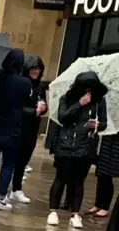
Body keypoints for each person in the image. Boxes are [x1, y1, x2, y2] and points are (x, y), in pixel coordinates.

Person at [47, 71, 107, 228]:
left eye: (91, 88)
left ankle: (75, 214)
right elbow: (63, 117)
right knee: (60, 178)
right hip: (66, 144)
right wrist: (79, 104)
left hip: (85, 146)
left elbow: (104, 123)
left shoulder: (99, 102)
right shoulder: (67, 98)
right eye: (86, 87)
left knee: (78, 182)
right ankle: (53, 211)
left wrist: (97, 125)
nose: (88, 91)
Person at [0, 48, 32, 211]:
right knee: (8, 164)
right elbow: (27, 103)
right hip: (13, 128)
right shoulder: (24, 83)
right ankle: (1, 197)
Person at [10, 55, 47, 204]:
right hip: (18, 126)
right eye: (33, 68)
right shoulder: (20, 84)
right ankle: (4, 189)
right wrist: (33, 111)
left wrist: (42, 109)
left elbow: (43, 105)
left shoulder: (41, 87)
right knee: (11, 160)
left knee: (24, 160)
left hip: (32, 129)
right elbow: (16, 107)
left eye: (38, 69)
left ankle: (16, 189)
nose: (36, 71)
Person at [87, 132, 119, 218]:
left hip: (115, 146)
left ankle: (105, 207)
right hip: (106, 142)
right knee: (101, 175)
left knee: (107, 176)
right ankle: (98, 204)